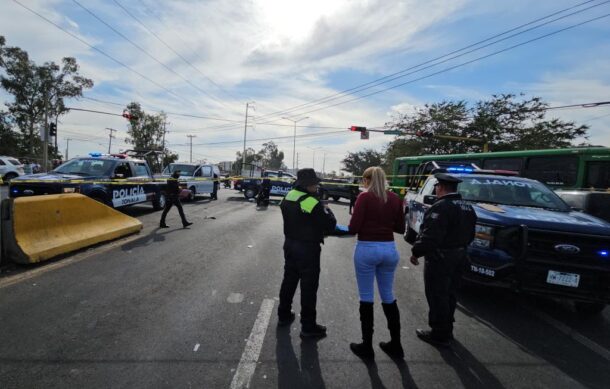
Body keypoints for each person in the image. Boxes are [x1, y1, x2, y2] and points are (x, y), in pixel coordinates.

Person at [410, 173, 477, 347]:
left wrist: (416, 252)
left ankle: (439, 333)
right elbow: (471, 234)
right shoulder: (468, 207)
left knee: (437, 294)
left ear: (440, 187)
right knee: (450, 293)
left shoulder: (441, 207)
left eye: (437, 187)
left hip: (442, 258)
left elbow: (430, 236)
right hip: (460, 256)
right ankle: (447, 329)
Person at [348, 166, 406, 359]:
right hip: (389, 249)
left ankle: (367, 346)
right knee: (388, 296)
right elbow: (400, 228)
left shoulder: (364, 198)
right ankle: (396, 345)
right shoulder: (395, 199)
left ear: (367, 180)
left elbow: (353, 227)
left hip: (367, 248)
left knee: (366, 297)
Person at [278, 168, 336, 338]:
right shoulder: (311, 202)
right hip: (307, 249)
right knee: (309, 287)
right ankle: (308, 326)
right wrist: (327, 209)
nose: (317, 187)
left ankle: (284, 314)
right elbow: (329, 225)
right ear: (309, 184)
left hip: (289, 244)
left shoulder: (289, 196)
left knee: (289, 281)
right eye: (315, 184)